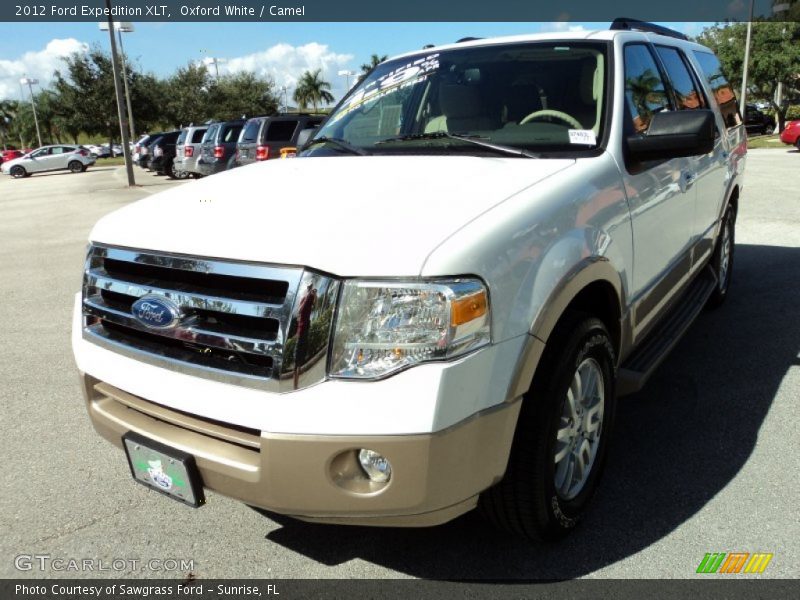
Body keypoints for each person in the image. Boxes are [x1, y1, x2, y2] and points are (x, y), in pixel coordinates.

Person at [293, 284, 317, 389]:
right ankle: (295, 386)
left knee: (301, 359)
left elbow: (315, 305)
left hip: (306, 331)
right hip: (301, 332)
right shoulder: (304, 298)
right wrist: (307, 296)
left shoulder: (311, 298)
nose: (310, 289)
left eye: (310, 288)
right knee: (296, 363)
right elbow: (299, 310)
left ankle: (297, 384)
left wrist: (314, 295)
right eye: (309, 288)